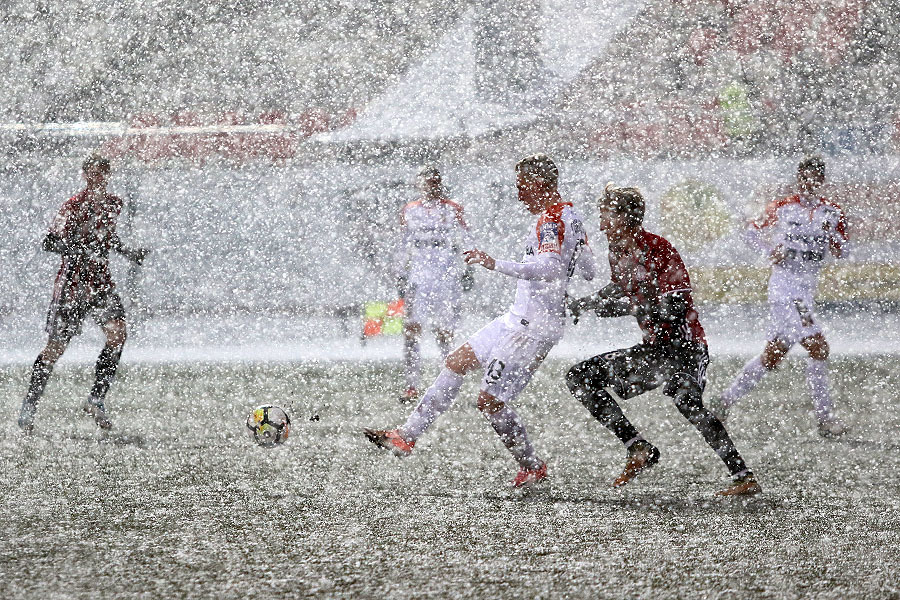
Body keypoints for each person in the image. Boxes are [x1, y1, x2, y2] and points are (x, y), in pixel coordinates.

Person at [365, 154, 596, 487]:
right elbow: (588, 271)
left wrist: (494, 263)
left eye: (522, 186)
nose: (519, 195)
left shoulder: (551, 219)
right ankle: (405, 436)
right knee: (456, 361)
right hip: (518, 318)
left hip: (533, 328)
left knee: (489, 401)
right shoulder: (568, 216)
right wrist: (576, 247)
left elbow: (549, 269)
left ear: (540, 184)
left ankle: (532, 467)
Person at [566, 184, 761, 496]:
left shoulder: (658, 248)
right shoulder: (617, 252)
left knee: (688, 403)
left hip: (685, 348)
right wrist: (585, 303)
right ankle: (638, 447)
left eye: (606, 215)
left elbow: (676, 306)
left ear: (624, 218)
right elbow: (618, 288)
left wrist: (628, 307)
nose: (600, 223)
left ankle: (743, 476)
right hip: (655, 351)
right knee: (580, 377)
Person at [709, 157, 849, 437]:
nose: (809, 183)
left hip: (805, 291)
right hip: (786, 290)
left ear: (821, 181)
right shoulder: (784, 208)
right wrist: (769, 251)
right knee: (818, 347)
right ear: (799, 180)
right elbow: (750, 230)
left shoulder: (832, 213)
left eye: (815, 179)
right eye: (805, 178)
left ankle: (723, 402)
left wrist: (834, 240)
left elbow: (843, 251)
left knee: (773, 355)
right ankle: (825, 419)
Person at [17, 154, 148, 433]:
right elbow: (49, 241)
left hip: (101, 283)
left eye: (101, 174)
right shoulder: (74, 206)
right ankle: (30, 403)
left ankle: (96, 399)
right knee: (56, 348)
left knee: (118, 333)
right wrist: (77, 250)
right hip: (73, 286)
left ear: (107, 175)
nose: (96, 179)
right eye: (91, 174)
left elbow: (107, 237)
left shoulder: (114, 204)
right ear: (85, 176)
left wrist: (129, 253)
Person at [394, 166, 474, 403]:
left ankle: (447, 383)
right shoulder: (409, 211)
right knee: (411, 330)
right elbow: (401, 243)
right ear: (418, 185)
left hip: (445, 277)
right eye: (426, 182)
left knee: (444, 332)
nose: (431, 186)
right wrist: (400, 273)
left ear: (440, 184)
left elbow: (467, 237)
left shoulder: (452, 209)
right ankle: (411, 385)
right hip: (419, 276)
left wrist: (468, 268)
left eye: (434, 182)